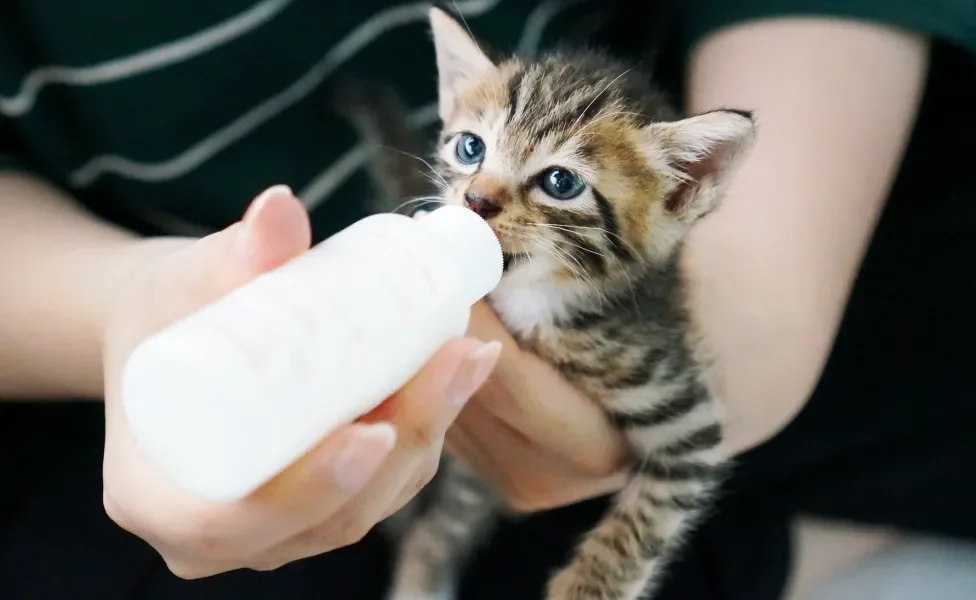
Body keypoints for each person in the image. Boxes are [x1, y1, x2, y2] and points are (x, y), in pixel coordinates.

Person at [0, 0, 973, 598]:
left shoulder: (656, 219)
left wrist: (764, 308)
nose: (479, 197)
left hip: (775, 205)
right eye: (468, 155)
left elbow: (690, 429)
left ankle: (818, 529)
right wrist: (121, 298)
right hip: (102, 296)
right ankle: (812, 535)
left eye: (549, 183)